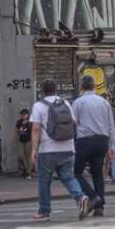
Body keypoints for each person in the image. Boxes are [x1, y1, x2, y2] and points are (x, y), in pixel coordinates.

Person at [30, 80, 91, 221]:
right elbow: (74, 123)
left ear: (42, 91)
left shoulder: (39, 106)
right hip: (68, 148)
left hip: (48, 150)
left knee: (44, 181)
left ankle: (44, 211)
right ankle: (81, 197)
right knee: (69, 177)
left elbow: (36, 129)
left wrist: (34, 150)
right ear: (56, 89)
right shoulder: (66, 103)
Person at [72, 75, 115, 217]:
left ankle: (93, 197)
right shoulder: (104, 102)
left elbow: (74, 124)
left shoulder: (78, 102)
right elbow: (111, 126)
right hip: (102, 140)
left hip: (85, 140)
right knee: (97, 173)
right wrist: (112, 146)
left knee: (75, 172)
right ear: (94, 86)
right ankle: (100, 207)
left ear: (82, 86)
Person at [15, 109, 33, 178]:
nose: (22, 116)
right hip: (21, 141)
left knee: (28, 157)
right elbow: (16, 131)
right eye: (21, 114)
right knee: (21, 155)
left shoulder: (30, 123)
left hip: (29, 141)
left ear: (27, 115)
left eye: (24, 115)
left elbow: (33, 132)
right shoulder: (19, 122)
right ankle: (25, 169)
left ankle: (29, 172)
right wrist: (14, 140)